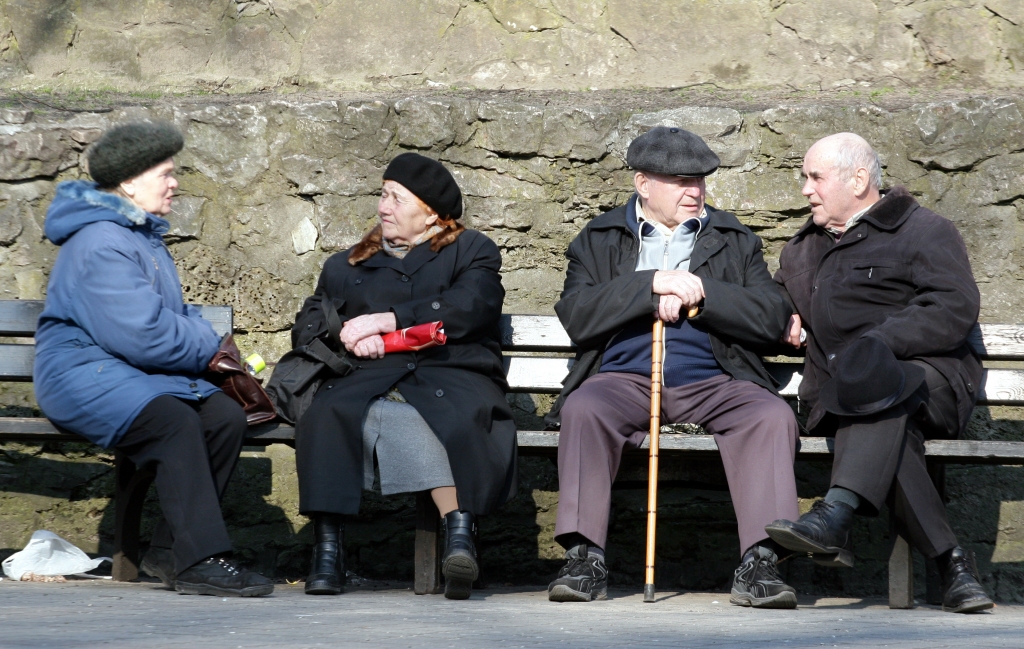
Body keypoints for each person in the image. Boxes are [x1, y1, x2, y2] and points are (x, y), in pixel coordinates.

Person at [545, 126, 801, 608]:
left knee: (771, 417)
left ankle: (762, 562)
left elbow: (771, 316)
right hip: (623, 379)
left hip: (717, 379)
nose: (695, 191)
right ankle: (584, 557)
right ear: (644, 185)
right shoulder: (598, 238)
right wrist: (651, 286)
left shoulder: (733, 237)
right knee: (583, 409)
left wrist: (702, 294)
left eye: (700, 180)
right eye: (682, 181)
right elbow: (576, 315)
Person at [33, 121, 273, 597]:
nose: (174, 182)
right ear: (128, 182)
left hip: (124, 373)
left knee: (224, 415)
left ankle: (170, 551)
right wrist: (208, 342)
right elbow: (143, 335)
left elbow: (159, 326)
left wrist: (193, 339)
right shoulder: (102, 241)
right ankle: (203, 559)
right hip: (81, 376)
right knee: (174, 422)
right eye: (164, 173)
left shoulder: (142, 238)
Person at [768, 132, 993, 613]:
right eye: (805, 177)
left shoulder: (923, 230)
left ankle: (836, 513)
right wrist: (777, 316)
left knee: (878, 385)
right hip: (842, 396)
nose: (805, 189)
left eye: (815, 177)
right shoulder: (801, 251)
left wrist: (880, 343)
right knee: (876, 407)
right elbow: (773, 305)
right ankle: (952, 564)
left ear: (859, 179)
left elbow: (954, 306)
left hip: (932, 380)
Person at [291, 152, 517, 600]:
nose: (383, 207)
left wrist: (391, 320)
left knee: (451, 417)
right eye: (383, 194)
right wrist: (349, 337)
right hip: (368, 376)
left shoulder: (471, 250)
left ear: (431, 212)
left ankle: (460, 540)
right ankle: (328, 555)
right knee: (328, 412)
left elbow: (473, 307)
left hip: (451, 372)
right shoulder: (346, 265)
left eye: (396, 197)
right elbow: (309, 325)